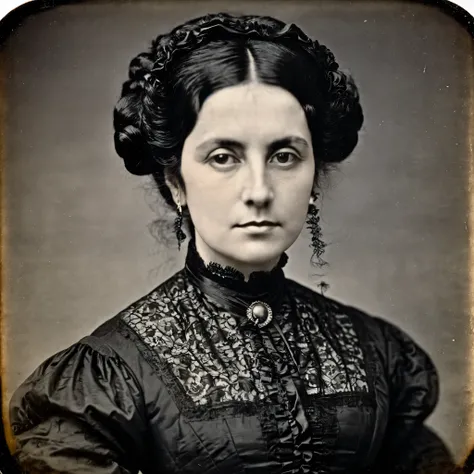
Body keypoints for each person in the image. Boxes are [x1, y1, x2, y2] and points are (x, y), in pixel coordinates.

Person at [8, 12, 458, 474]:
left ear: (314, 176)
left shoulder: (376, 352)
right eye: (223, 157)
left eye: (285, 156)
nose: (259, 190)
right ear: (175, 181)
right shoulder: (108, 376)